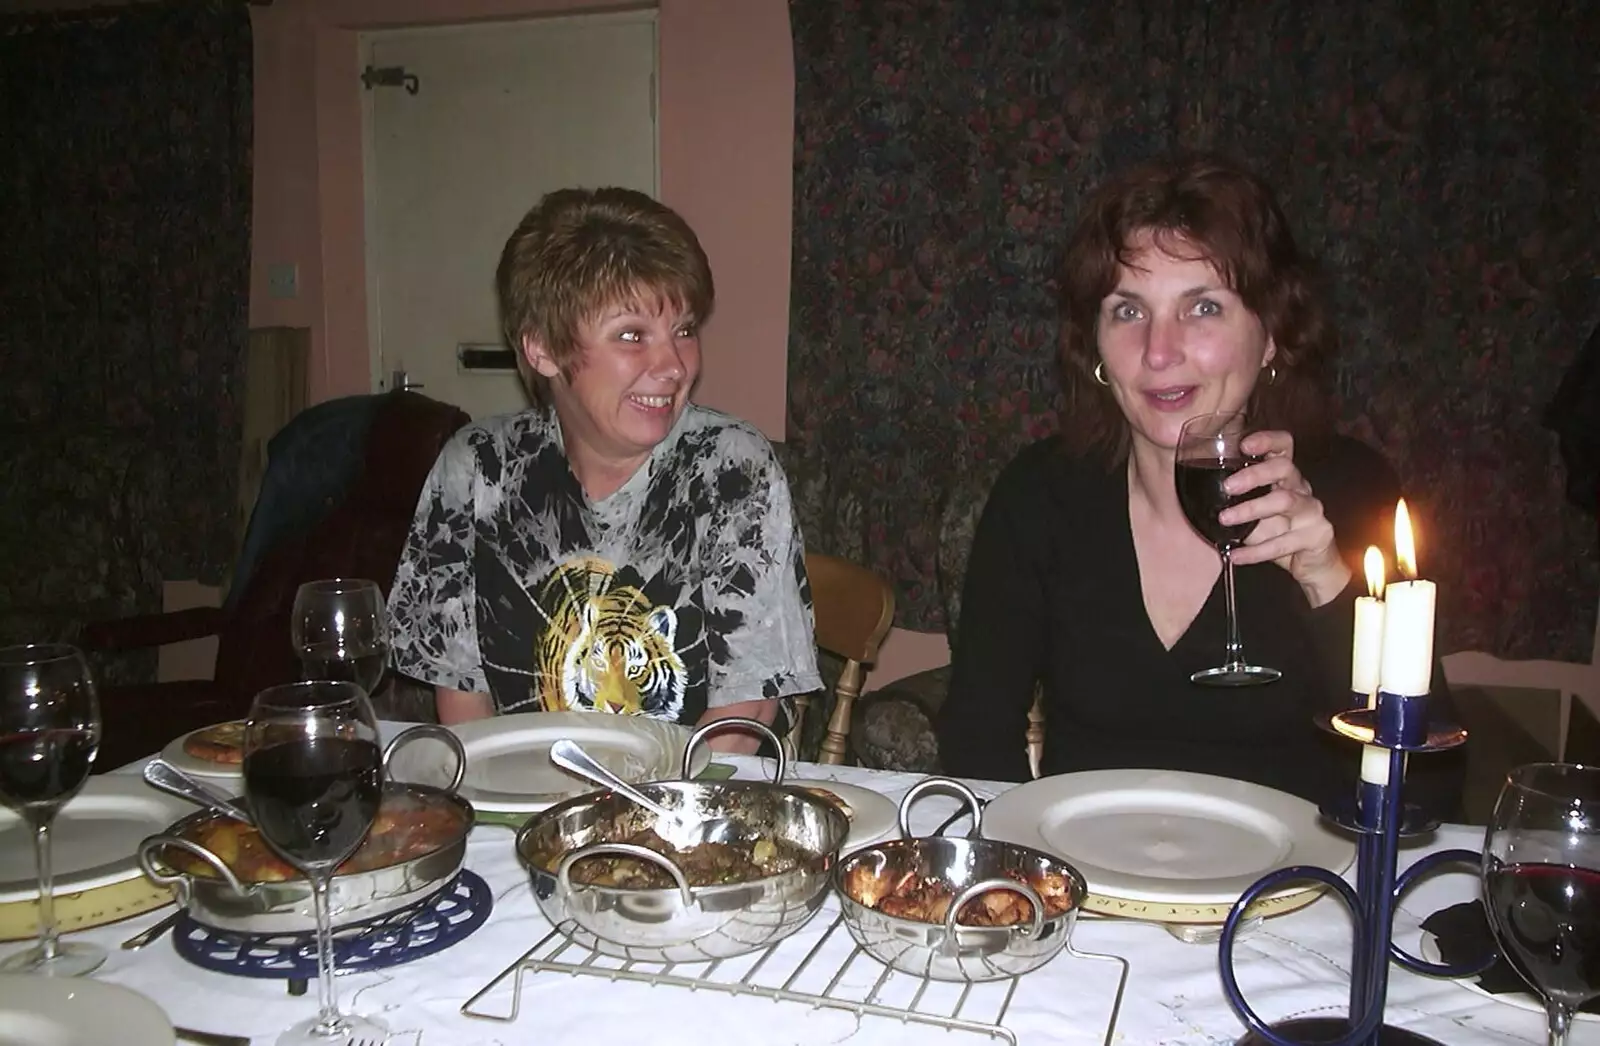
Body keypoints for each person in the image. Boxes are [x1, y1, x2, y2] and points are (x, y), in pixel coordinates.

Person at [935, 154, 1463, 815]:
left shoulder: (1351, 493)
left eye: (1203, 307)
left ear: (1271, 335)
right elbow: (976, 742)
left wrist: (1329, 582)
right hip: (1092, 889)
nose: (1159, 352)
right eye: (1128, 311)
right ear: (1094, 344)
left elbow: (1431, 794)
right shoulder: (1040, 497)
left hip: (1292, 899)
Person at [387, 187, 821, 753]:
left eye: (684, 330)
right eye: (632, 336)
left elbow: (743, 718)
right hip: (526, 799)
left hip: (691, 805)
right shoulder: (475, 471)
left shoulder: (731, 470)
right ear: (543, 349)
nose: (674, 366)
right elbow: (461, 696)